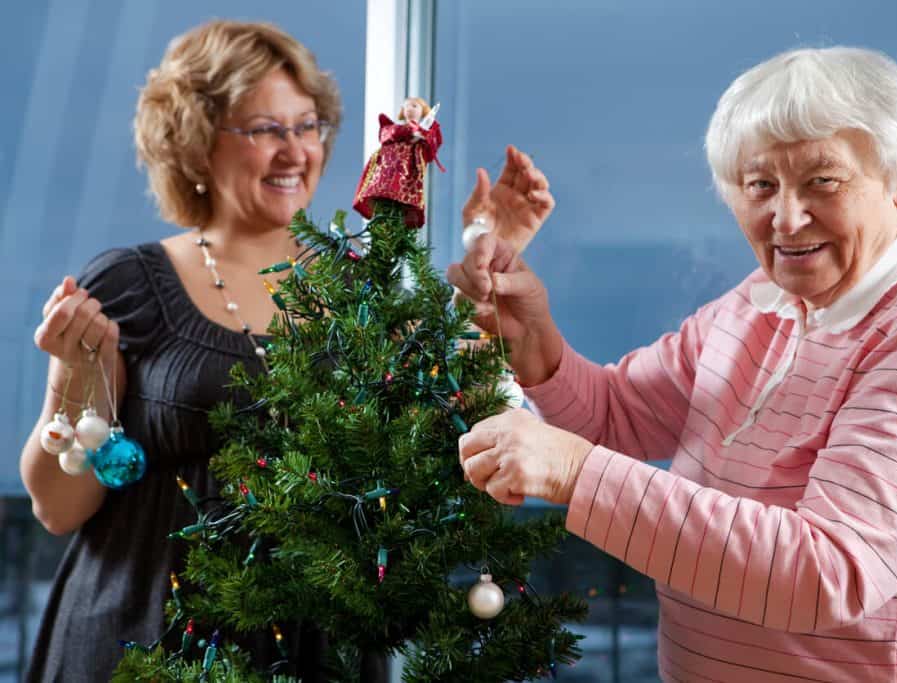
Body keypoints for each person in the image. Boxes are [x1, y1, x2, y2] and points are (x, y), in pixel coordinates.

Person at [450, 46, 897, 682]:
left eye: (822, 181)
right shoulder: (758, 307)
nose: (786, 216)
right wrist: (535, 346)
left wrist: (575, 472)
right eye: (761, 185)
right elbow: (618, 415)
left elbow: (828, 573)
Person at [19, 19, 552, 680]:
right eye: (266, 129)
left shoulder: (366, 288)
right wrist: (72, 368)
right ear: (194, 142)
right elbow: (58, 506)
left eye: (308, 126)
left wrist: (490, 266)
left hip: (317, 648)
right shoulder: (125, 288)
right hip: (141, 640)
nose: (296, 151)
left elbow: (469, 433)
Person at [353, 96, 444, 227]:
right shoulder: (394, 129)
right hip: (389, 172)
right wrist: (412, 131)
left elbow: (430, 150)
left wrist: (425, 133)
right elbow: (387, 134)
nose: (409, 109)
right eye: (406, 106)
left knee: (402, 207)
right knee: (385, 202)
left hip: (408, 176)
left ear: (423, 110)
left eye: (414, 106)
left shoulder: (423, 135)